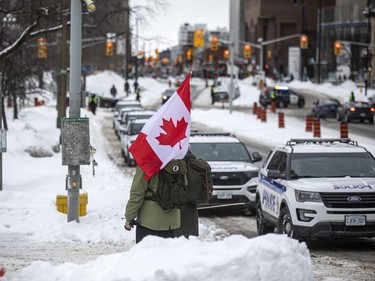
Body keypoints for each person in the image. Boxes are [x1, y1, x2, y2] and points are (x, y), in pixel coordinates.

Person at [124, 159, 187, 243]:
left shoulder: (147, 163)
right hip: (171, 223)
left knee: (146, 254)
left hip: (149, 222)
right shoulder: (179, 163)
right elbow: (184, 185)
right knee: (165, 254)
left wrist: (129, 217)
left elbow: (137, 193)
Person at [173, 149, 199, 238]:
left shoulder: (177, 164)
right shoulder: (195, 163)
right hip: (191, 205)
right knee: (189, 238)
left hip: (178, 204)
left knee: (179, 238)